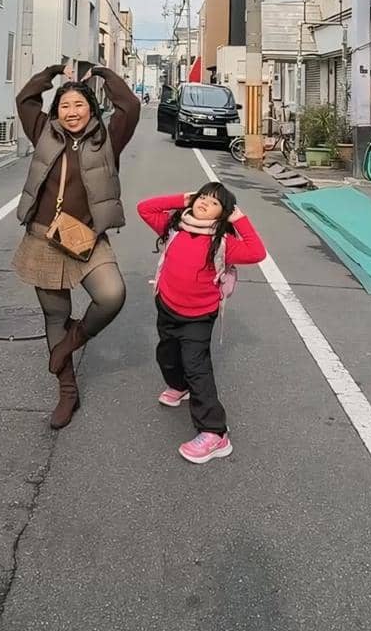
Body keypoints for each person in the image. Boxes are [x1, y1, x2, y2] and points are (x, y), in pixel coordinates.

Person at [14, 62, 140, 430]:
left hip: (87, 236)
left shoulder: (108, 136)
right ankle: (67, 392)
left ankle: (72, 340)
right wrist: (51, 73)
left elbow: (129, 106)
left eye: (79, 106)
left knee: (112, 295)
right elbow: (25, 99)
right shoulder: (43, 131)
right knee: (54, 314)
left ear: (92, 109)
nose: (72, 113)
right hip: (43, 235)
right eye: (65, 106)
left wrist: (102, 73)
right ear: (57, 111)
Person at [136, 183, 266, 464]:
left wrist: (239, 219)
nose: (205, 202)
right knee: (167, 356)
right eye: (202, 197)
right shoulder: (174, 227)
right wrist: (181, 196)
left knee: (197, 368)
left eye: (215, 202)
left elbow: (257, 252)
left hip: (197, 317)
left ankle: (214, 432)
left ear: (224, 214)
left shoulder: (223, 243)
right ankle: (178, 386)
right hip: (167, 306)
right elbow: (144, 208)